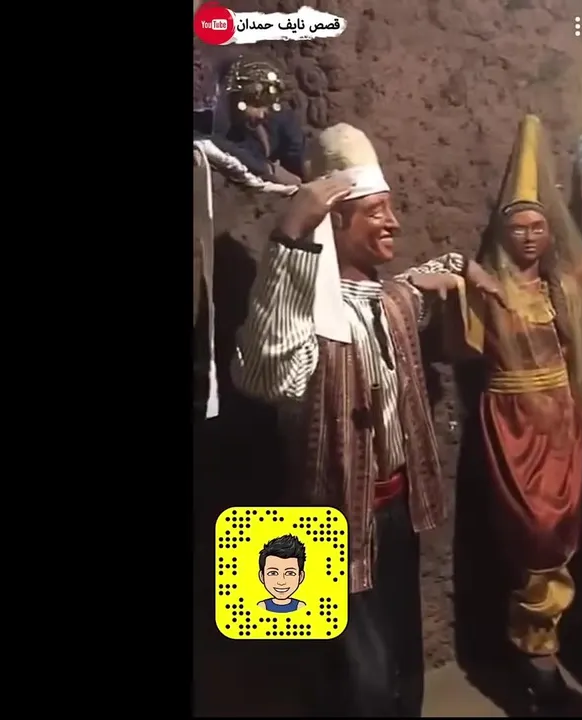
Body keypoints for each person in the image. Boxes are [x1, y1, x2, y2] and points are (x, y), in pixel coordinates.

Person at [230, 122, 505, 717]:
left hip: (394, 512)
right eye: (376, 212)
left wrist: (464, 267)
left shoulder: (390, 300)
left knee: (402, 663)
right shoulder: (308, 318)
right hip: (326, 522)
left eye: (391, 208)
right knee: (357, 682)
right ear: (336, 222)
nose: (394, 223)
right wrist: (290, 235)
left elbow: (417, 282)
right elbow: (266, 377)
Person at [459, 115, 582, 710]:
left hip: (561, 418)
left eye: (539, 226)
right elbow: (461, 336)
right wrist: (463, 277)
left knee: (564, 527)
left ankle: (547, 642)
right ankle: (529, 643)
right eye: (518, 227)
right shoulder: (484, 287)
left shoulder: (561, 287)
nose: (530, 236)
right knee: (532, 530)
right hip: (513, 420)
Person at [214, 56, 305, 186]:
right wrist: (267, 169)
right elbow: (212, 144)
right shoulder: (217, 118)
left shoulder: (282, 119)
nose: (261, 115)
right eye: (255, 105)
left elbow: (296, 165)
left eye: (266, 106)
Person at [256, 534, 309, 613]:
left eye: (290, 573)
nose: (281, 582)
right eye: (273, 573)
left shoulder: (301, 606)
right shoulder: (262, 606)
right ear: (262, 576)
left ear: (300, 577)